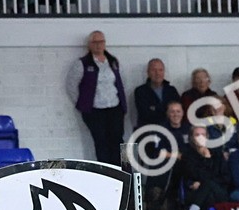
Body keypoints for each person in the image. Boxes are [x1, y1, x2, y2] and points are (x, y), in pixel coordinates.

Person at [64, 30, 127, 165]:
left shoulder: (113, 61)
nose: (98, 45)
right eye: (95, 42)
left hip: (115, 108)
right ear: (89, 45)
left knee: (119, 141)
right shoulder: (82, 64)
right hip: (95, 111)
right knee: (101, 142)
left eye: (101, 42)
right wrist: (82, 104)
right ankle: (106, 174)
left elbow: (121, 82)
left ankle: (124, 172)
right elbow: (71, 85)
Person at [177, 125, 232, 210]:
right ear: (192, 138)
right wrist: (206, 160)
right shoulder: (188, 156)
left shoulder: (217, 154)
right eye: (197, 135)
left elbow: (225, 178)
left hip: (219, 191)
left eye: (203, 134)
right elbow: (193, 174)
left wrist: (207, 158)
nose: (200, 137)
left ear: (207, 137)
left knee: (208, 184)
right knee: (208, 192)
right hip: (197, 192)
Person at [143, 100, 191, 210]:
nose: (175, 114)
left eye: (178, 111)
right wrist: (179, 156)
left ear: (183, 113)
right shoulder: (160, 129)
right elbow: (159, 153)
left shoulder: (188, 129)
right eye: (172, 112)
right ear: (167, 114)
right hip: (165, 168)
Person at [132, 58, 181, 129]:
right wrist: (168, 112)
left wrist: (155, 109)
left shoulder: (171, 90)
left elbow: (178, 111)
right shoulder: (140, 91)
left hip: (171, 129)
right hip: (149, 130)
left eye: (160, 70)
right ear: (148, 73)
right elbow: (145, 114)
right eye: (153, 70)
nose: (157, 73)